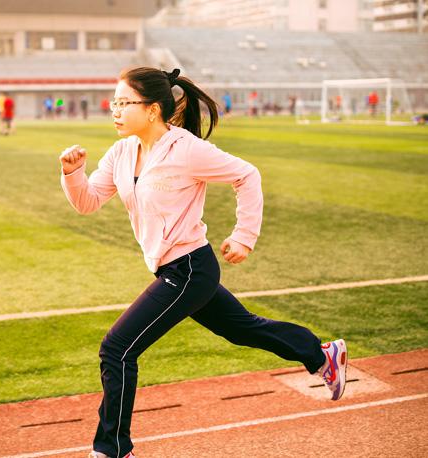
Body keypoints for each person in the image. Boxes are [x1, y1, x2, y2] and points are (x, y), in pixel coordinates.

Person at [59, 67, 348, 458]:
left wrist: (245, 236)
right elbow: (87, 201)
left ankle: (111, 449)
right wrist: (73, 172)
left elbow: (247, 175)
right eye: (114, 102)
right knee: (244, 329)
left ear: (153, 109)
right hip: (173, 268)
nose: (115, 109)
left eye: (124, 102)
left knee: (118, 349)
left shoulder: (186, 149)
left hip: (190, 268)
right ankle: (321, 355)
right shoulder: (122, 153)